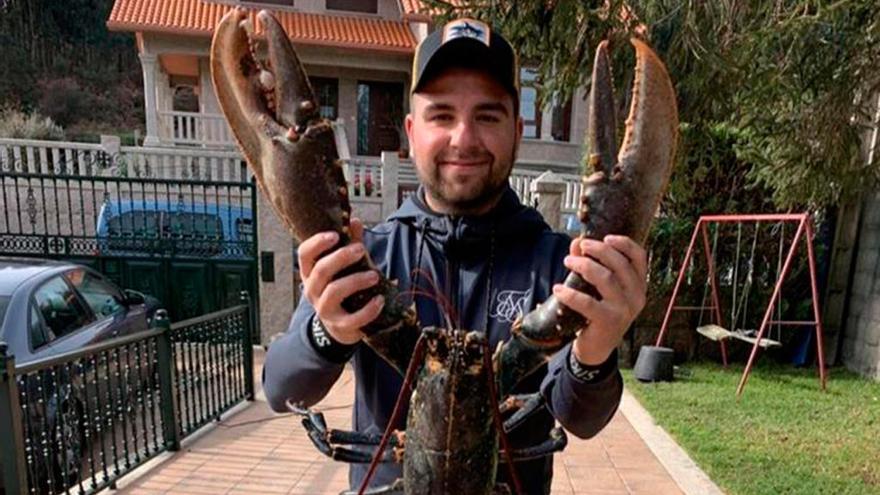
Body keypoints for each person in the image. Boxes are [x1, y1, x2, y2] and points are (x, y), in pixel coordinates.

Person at [262, 17, 648, 494]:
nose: (463, 138)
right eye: (441, 115)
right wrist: (327, 331)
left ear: (517, 131)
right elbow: (282, 388)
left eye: (487, 116)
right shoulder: (365, 259)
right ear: (411, 130)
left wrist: (596, 351)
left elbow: (582, 420)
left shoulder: (564, 267)